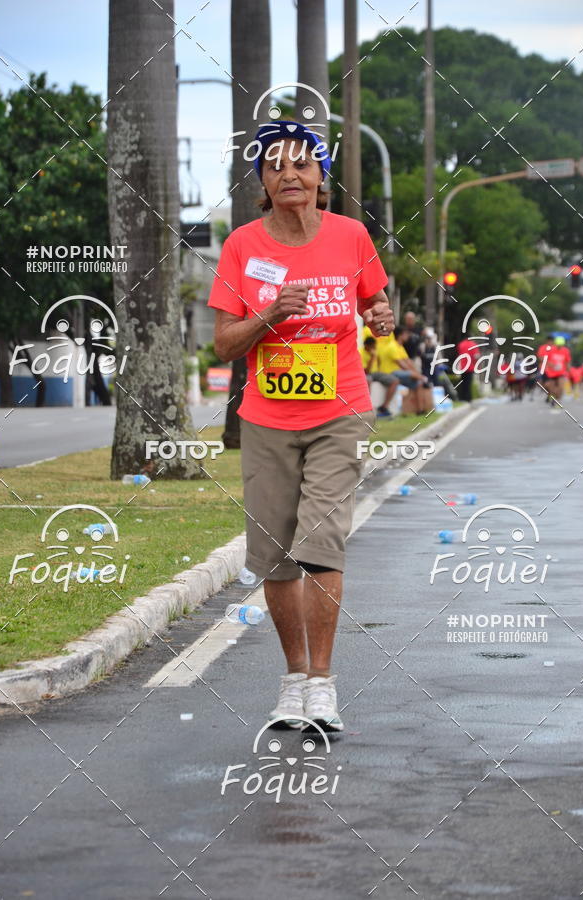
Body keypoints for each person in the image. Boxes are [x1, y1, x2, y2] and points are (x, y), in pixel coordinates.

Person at [208, 120, 393, 732]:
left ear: (321, 176)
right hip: (267, 419)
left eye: (302, 164)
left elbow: (373, 300)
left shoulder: (351, 235)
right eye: (275, 166)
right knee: (276, 557)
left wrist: (382, 314)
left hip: (339, 411)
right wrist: (268, 314)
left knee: (320, 542)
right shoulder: (242, 246)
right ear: (262, 183)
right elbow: (224, 345)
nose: (289, 174)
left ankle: (322, 683)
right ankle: (293, 679)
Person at [373, 325, 429, 414]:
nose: (408, 336)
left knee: (418, 383)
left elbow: (408, 362)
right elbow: (403, 365)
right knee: (412, 375)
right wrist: (418, 375)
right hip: (389, 373)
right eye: (406, 334)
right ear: (400, 335)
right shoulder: (392, 346)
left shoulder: (400, 347)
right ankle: (384, 407)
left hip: (399, 373)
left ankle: (420, 410)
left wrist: (417, 374)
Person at [360, 335, 398, 417]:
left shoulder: (375, 351)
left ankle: (384, 407)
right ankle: (366, 407)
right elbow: (366, 371)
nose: (374, 348)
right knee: (368, 380)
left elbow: (379, 362)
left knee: (395, 381)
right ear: (366, 345)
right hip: (366, 374)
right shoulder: (361, 353)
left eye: (374, 346)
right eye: (372, 346)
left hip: (376, 373)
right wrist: (372, 357)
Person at [539, 336, 571, 405]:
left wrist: (569, 371)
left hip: (561, 372)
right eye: (558, 345)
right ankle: (553, 397)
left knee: (561, 387)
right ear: (555, 344)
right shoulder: (550, 350)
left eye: (561, 345)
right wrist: (550, 364)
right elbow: (544, 358)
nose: (559, 347)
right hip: (551, 372)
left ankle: (557, 400)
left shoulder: (566, 350)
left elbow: (567, 361)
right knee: (551, 388)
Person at [456, 335, 480, 402]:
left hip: (462, 367)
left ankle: (462, 397)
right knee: (468, 383)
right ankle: (468, 398)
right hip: (470, 367)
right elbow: (476, 356)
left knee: (462, 383)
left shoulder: (461, 344)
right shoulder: (473, 345)